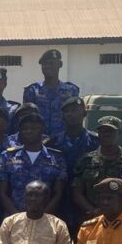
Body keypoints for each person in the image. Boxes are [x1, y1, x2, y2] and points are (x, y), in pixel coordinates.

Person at [0, 107, 66, 215]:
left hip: (46, 218)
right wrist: (17, 217)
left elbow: (58, 193)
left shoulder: (57, 158)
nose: (29, 131)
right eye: (25, 128)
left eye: (34, 128)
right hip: (14, 217)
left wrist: (42, 217)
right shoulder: (7, 156)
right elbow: (2, 192)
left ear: (42, 130)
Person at [72, 115, 122, 222]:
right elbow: (77, 193)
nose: (106, 134)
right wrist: (93, 211)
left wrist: (121, 212)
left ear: (119, 133)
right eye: (103, 131)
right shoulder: (85, 161)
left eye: (111, 131)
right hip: (91, 219)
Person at [47, 96, 100, 234]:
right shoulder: (52, 143)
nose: (71, 114)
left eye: (75, 110)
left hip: (86, 202)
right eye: (67, 111)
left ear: (84, 113)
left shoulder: (96, 141)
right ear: (62, 116)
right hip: (59, 201)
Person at [22, 49, 79, 139]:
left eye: (51, 63)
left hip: (64, 141)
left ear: (60, 64)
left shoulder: (71, 91)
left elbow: (76, 119)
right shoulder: (32, 91)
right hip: (38, 140)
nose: (47, 67)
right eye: (44, 64)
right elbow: (26, 119)